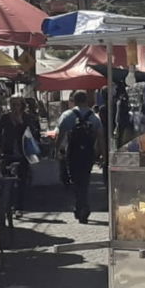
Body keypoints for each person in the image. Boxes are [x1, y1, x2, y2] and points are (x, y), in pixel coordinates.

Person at [57, 89, 104, 224]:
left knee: (75, 181)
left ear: (74, 101)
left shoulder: (67, 115)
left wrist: (56, 151)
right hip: (88, 153)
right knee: (85, 180)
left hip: (73, 153)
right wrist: (102, 155)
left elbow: (60, 136)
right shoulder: (94, 117)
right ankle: (83, 206)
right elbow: (100, 137)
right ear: (86, 100)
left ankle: (81, 206)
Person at [0, 96, 32, 214]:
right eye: (12, 104)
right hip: (8, 152)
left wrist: (21, 123)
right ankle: (9, 205)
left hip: (23, 153)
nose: (15, 107)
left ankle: (19, 206)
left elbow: (31, 134)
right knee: (7, 181)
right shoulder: (5, 118)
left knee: (22, 180)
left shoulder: (27, 118)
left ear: (22, 105)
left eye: (17, 104)